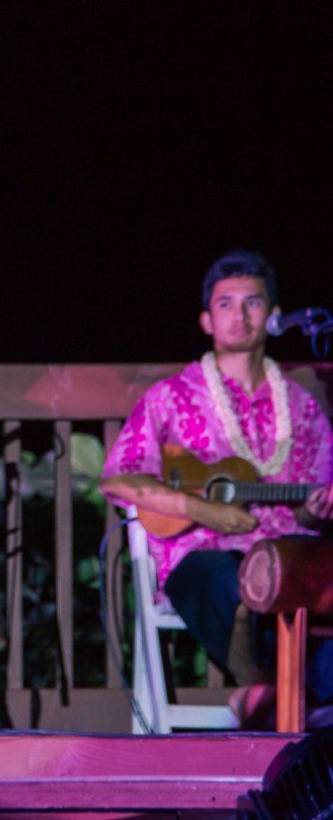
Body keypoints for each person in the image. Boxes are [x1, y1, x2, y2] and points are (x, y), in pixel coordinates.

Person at [102, 249, 333, 722]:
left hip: (287, 557)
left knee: (315, 578)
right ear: (207, 320)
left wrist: (316, 509)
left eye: (253, 302)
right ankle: (280, 692)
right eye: (226, 303)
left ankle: (274, 698)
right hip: (204, 558)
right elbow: (121, 477)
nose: (240, 315)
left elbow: (312, 509)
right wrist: (205, 510)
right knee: (224, 577)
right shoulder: (171, 397)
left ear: (271, 316)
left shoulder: (304, 408)